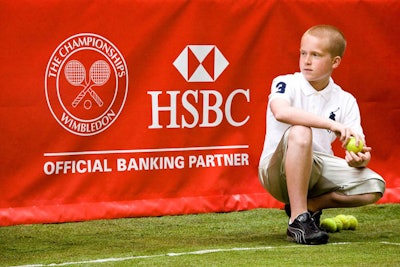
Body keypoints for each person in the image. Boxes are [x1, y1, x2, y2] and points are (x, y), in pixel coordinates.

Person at [258, 25, 385, 245]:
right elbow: (281, 112)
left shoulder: (346, 100)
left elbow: (359, 149)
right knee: (300, 131)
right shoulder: (286, 82)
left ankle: (311, 206)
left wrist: (359, 159)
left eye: (315, 55)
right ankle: (298, 221)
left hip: (316, 171)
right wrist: (332, 124)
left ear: (335, 62)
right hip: (276, 172)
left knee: (375, 185)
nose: (306, 60)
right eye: (303, 53)